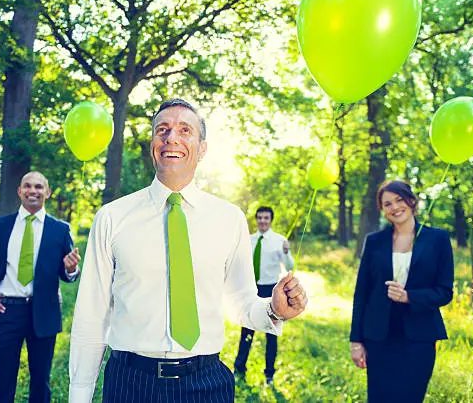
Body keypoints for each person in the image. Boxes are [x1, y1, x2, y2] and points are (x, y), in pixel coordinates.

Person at [69, 99, 308, 403]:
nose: (172, 138)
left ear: (203, 148)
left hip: (206, 383)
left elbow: (241, 303)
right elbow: (92, 316)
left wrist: (273, 310)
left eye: (185, 130)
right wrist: (79, 395)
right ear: (153, 144)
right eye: (162, 130)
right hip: (130, 383)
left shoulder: (229, 218)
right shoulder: (111, 218)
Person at [0, 171, 81, 403]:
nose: (32, 191)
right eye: (27, 186)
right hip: (7, 311)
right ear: (19, 191)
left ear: (47, 192)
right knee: (1, 381)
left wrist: (70, 269)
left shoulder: (60, 229)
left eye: (38, 187)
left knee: (40, 383)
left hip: (44, 312)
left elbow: (67, 275)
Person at [349, 180, 454, 403]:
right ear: (382, 210)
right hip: (378, 337)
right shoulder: (374, 241)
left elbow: (445, 292)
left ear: (412, 201)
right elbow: (361, 294)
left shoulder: (439, 239)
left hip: (419, 339)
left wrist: (409, 297)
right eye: (387, 204)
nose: (395, 207)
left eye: (399, 200)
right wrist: (356, 341)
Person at [233, 206, 295, 385]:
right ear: (256, 219)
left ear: (271, 220)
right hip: (251, 289)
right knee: (247, 331)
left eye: (266, 218)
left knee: (272, 334)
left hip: (271, 291)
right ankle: (239, 369)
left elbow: (290, 266)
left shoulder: (280, 241)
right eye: (259, 218)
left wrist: (286, 252)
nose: (262, 221)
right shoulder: (248, 240)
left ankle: (269, 374)